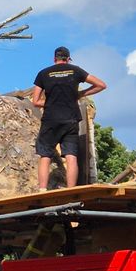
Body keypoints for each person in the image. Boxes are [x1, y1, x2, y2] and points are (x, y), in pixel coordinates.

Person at [31, 46, 106, 189]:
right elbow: (101, 85)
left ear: (54, 59)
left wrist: (51, 102)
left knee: (45, 155)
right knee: (71, 156)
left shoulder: (43, 73)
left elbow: (35, 101)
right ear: (68, 59)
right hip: (70, 119)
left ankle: (42, 190)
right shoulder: (75, 70)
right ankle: (71, 190)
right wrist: (81, 93)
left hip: (50, 120)